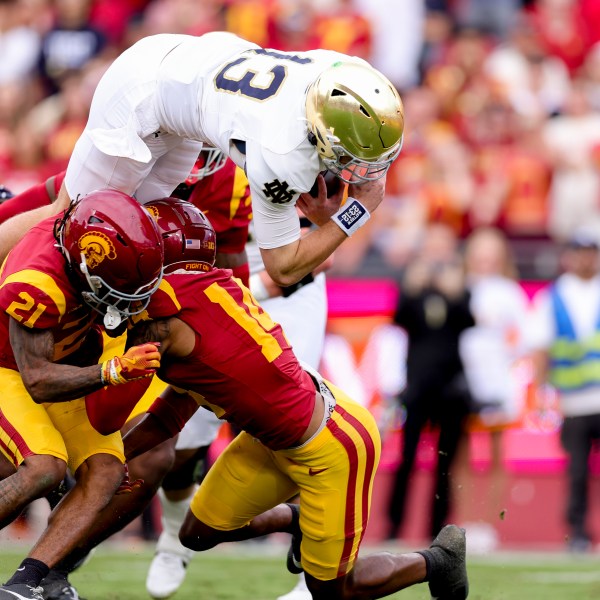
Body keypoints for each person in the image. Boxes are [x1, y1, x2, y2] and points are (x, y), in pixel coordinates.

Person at [72, 198, 468, 600]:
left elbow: (125, 383)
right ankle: (297, 519)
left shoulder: (169, 321)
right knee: (195, 534)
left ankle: (437, 561)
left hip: (330, 446)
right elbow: (170, 415)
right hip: (272, 440)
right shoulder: (205, 296)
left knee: (332, 591)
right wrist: (115, 456)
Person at [0, 30, 405, 287]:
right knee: (76, 215)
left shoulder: (348, 74)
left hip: (189, 84)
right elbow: (282, 266)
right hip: (144, 89)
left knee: (136, 222)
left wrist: (330, 219)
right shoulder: (282, 153)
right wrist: (359, 211)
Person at [0, 191, 165, 600]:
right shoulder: (37, 280)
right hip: (11, 369)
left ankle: (25, 584)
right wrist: (112, 371)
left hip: (68, 366)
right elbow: (37, 379)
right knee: (44, 468)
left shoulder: (102, 245)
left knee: (108, 471)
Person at [386, 223, 475, 542]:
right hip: (418, 386)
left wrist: (456, 291)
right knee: (406, 459)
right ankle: (394, 526)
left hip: (451, 388)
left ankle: (437, 529)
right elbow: (397, 320)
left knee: (445, 463)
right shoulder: (413, 282)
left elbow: (469, 322)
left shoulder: (459, 285)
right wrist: (412, 287)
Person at [527, 229, 600, 552]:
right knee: (578, 470)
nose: (586, 258)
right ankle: (578, 531)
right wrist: (542, 393)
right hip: (573, 401)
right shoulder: (551, 296)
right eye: (580, 251)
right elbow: (542, 348)